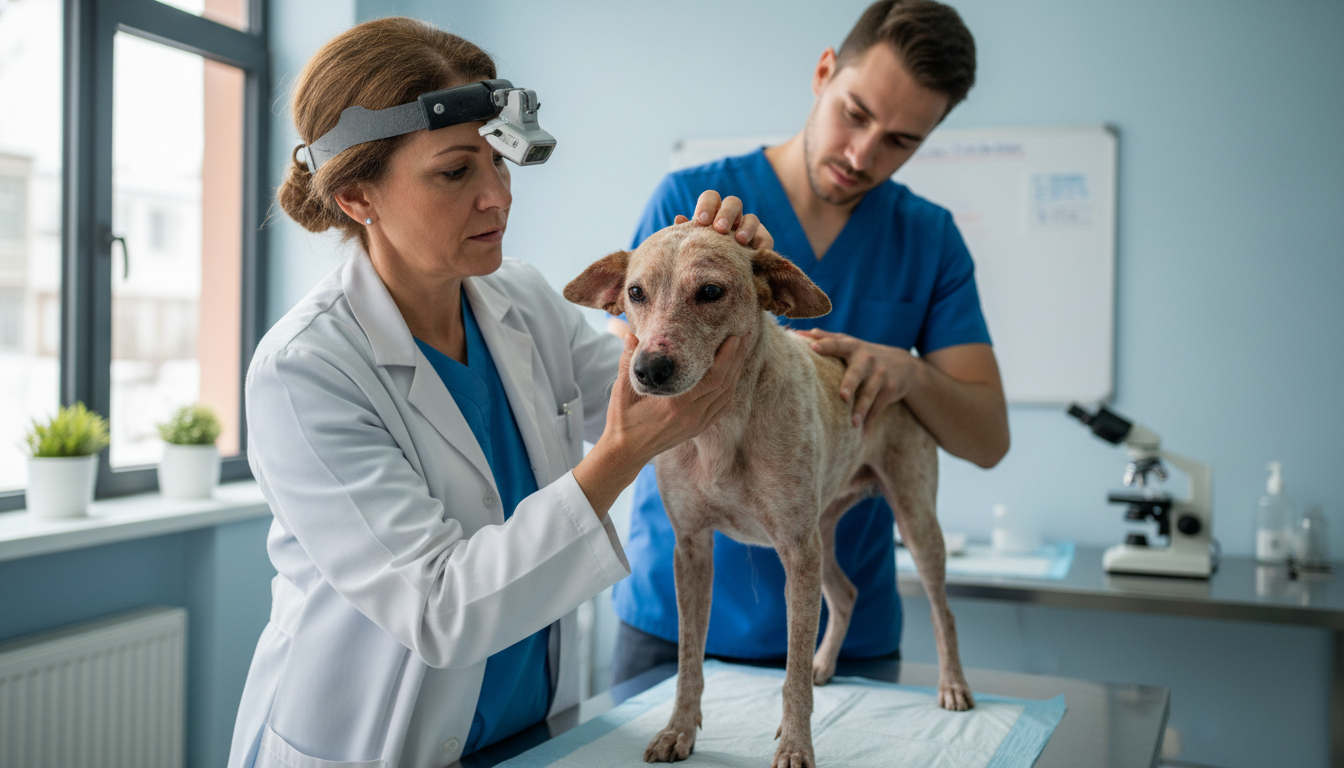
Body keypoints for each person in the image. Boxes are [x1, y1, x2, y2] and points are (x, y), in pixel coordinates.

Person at [227, 17, 771, 768]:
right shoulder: (303, 370)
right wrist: (615, 457)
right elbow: (438, 608)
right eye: (456, 173)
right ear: (358, 199)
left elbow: (658, 380)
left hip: (529, 731)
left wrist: (715, 286)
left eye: (500, 162)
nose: (497, 199)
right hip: (373, 746)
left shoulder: (519, 300)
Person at [610, 0, 1011, 684]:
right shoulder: (691, 202)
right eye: (856, 113)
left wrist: (908, 374)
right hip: (675, 625)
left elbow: (986, 439)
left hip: (845, 640)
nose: (863, 154)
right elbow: (636, 381)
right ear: (825, 71)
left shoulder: (930, 240)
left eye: (900, 140)